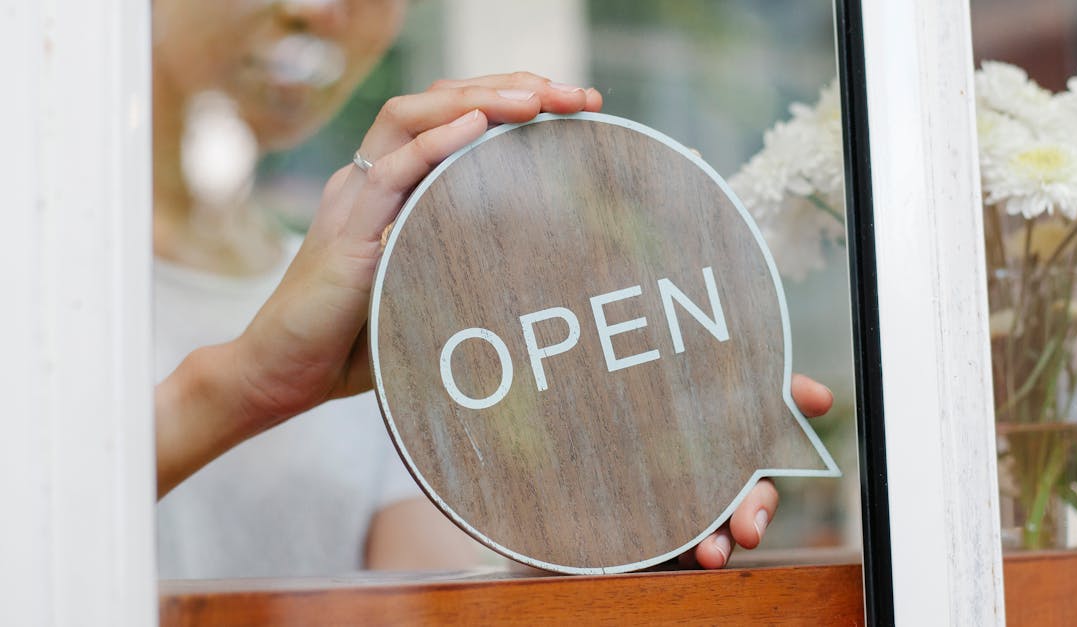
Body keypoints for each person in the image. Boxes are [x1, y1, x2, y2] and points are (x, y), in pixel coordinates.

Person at [152, 0, 835, 575]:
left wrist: (600, 544)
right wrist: (241, 389)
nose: (319, 11)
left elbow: (421, 595)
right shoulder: (86, 293)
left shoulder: (376, 308)